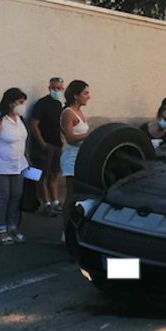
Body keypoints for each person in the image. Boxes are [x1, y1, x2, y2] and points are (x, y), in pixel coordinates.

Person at [0, 88, 29, 245]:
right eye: (20, 102)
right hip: (1, 165)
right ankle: (1, 229)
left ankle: (12, 225)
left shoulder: (19, 118)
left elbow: (22, 140)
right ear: (10, 103)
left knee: (17, 194)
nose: (23, 106)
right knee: (3, 196)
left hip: (18, 165)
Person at [30, 77, 65, 217]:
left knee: (55, 173)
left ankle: (55, 201)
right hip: (44, 147)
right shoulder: (42, 104)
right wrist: (42, 143)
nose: (56, 91)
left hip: (57, 145)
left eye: (59, 88)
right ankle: (46, 204)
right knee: (41, 175)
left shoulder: (61, 104)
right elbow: (33, 125)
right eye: (53, 88)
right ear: (49, 88)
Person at [60, 80, 90, 231]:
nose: (88, 97)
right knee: (71, 195)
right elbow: (70, 138)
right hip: (71, 158)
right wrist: (88, 136)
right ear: (76, 95)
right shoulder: (68, 113)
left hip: (81, 156)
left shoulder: (80, 112)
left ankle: (76, 227)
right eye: (85, 93)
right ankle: (67, 232)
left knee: (80, 194)